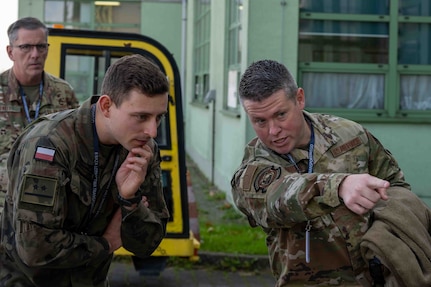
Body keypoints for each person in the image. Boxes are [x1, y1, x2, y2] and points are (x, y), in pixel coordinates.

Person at [231, 59, 431, 286]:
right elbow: (277, 198)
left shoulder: (350, 135)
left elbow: (396, 187)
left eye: (280, 115)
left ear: (299, 98)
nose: (273, 131)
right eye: (260, 121)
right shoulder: (255, 166)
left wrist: (387, 239)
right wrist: (340, 186)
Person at [0, 54, 170, 286]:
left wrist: (129, 201)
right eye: (141, 116)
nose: (152, 131)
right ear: (107, 106)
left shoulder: (141, 150)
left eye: (158, 117)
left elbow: (146, 245)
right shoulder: (50, 144)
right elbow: (36, 248)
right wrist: (106, 244)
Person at [0, 17, 79, 215]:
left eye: (41, 47)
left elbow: (78, 149)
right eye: (26, 47)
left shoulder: (63, 93)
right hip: (4, 207)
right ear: (11, 52)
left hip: (47, 209)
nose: (35, 54)